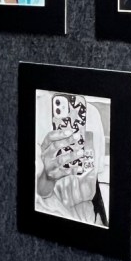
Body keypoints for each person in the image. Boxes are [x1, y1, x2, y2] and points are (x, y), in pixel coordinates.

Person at [35, 94, 108, 227]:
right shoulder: (36, 109)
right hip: (49, 220)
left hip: (89, 220)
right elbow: (38, 193)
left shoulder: (92, 114)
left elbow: (94, 178)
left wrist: (101, 221)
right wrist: (48, 177)